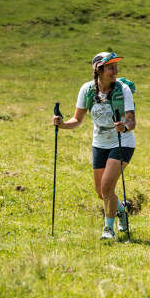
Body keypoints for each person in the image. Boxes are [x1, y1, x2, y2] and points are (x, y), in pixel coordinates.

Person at [52, 52, 136, 240]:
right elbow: (77, 119)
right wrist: (62, 124)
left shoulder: (123, 90)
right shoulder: (87, 90)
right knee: (101, 193)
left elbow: (132, 122)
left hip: (122, 140)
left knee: (107, 187)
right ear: (99, 70)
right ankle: (122, 210)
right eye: (110, 67)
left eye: (116, 66)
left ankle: (108, 229)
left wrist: (124, 127)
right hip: (99, 142)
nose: (115, 70)